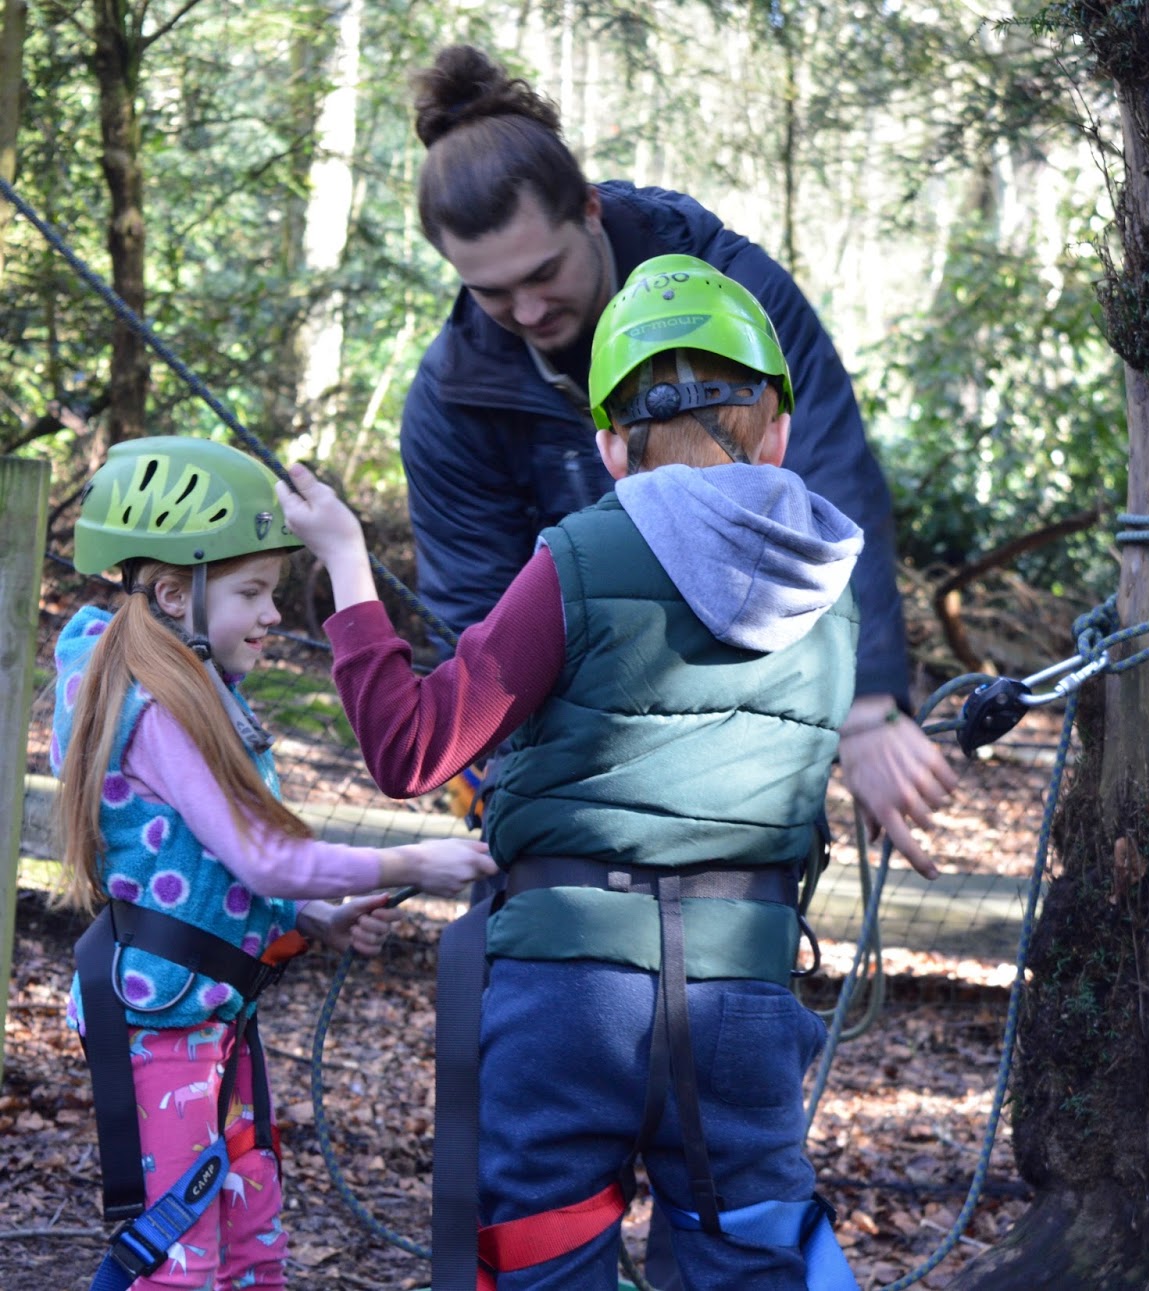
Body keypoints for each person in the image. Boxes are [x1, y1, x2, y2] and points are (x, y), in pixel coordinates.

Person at [278, 257, 874, 1290]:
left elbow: (411, 748)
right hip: (742, 989)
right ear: (776, 427)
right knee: (754, 1251)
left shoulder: (585, 551)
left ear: (608, 445)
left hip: (568, 993)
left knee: (545, 1257)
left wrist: (344, 561)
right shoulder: (835, 590)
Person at [401, 43, 956, 873]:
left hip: (749, 719)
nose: (525, 308)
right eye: (490, 291)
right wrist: (507, 797)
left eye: (543, 272)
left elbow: (828, 472)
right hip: (569, 748)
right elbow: (473, 609)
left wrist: (867, 703)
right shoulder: (454, 396)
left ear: (588, 209)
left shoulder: (732, 294)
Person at [52, 436, 497, 1291]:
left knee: (251, 1240)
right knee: (180, 1255)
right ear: (177, 593)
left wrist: (314, 917)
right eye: (253, 592)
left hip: (210, 1019)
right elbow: (263, 855)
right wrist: (414, 858)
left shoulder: (187, 685)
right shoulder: (157, 705)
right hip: (163, 1033)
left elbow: (204, 858)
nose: (272, 615)